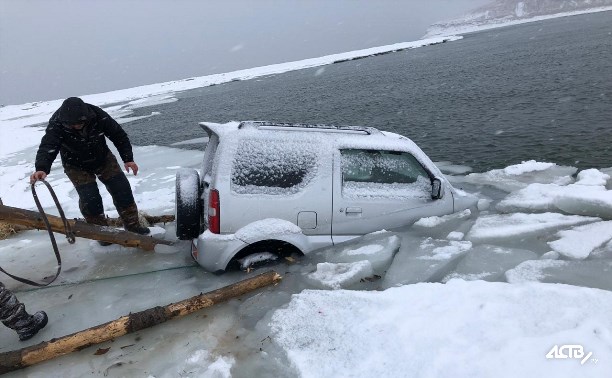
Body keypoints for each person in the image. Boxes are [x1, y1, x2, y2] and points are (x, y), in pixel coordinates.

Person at [30, 97, 150, 241]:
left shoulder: (97, 115)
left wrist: (128, 158)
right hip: (75, 165)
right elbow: (48, 146)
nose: (77, 126)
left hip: (103, 158)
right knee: (90, 199)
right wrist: (42, 168)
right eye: (72, 125)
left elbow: (118, 135)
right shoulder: (57, 124)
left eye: (80, 123)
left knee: (121, 189)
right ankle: (101, 233)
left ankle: (133, 226)